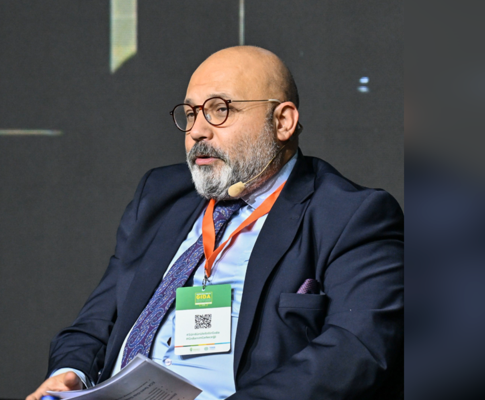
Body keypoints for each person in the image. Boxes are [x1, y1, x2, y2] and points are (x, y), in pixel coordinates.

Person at [27, 46, 403, 400]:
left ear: (283, 121)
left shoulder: (351, 215)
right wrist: (71, 370)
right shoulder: (159, 196)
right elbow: (97, 321)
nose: (197, 131)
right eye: (191, 114)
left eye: (219, 110)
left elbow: (357, 350)